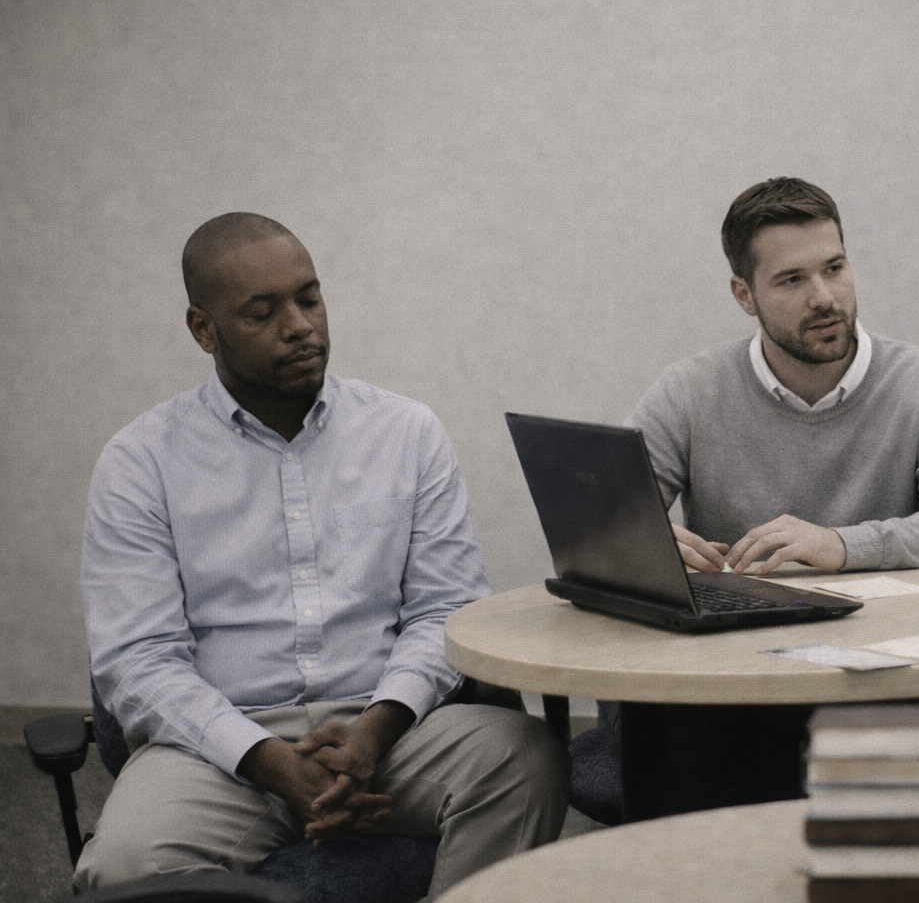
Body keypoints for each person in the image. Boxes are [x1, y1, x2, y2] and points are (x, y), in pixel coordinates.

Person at [76, 214, 565, 896]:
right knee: (121, 867)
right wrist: (268, 761)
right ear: (203, 329)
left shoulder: (405, 432)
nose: (300, 325)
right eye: (263, 311)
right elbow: (138, 661)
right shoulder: (141, 461)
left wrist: (376, 728)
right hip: (218, 746)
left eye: (309, 297)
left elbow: (445, 612)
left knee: (523, 758)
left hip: (385, 731)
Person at [630, 176, 919, 575]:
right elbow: (597, 517)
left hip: (890, 627)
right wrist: (637, 541)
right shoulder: (689, 392)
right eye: (793, 280)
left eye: (833, 269)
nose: (824, 298)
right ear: (744, 295)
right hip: (734, 630)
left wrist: (842, 544)